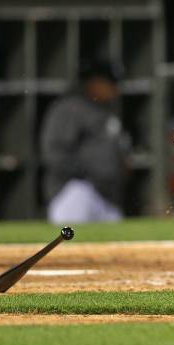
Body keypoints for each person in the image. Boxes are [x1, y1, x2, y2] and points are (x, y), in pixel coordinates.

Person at [40, 61, 131, 223]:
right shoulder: (70, 108)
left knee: (116, 244)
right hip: (75, 190)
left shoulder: (106, 110)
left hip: (106, 194)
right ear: (94, 81)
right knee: (73, 243)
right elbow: (54, 152)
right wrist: (89, 172)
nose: (115, 90)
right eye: (110, 83)